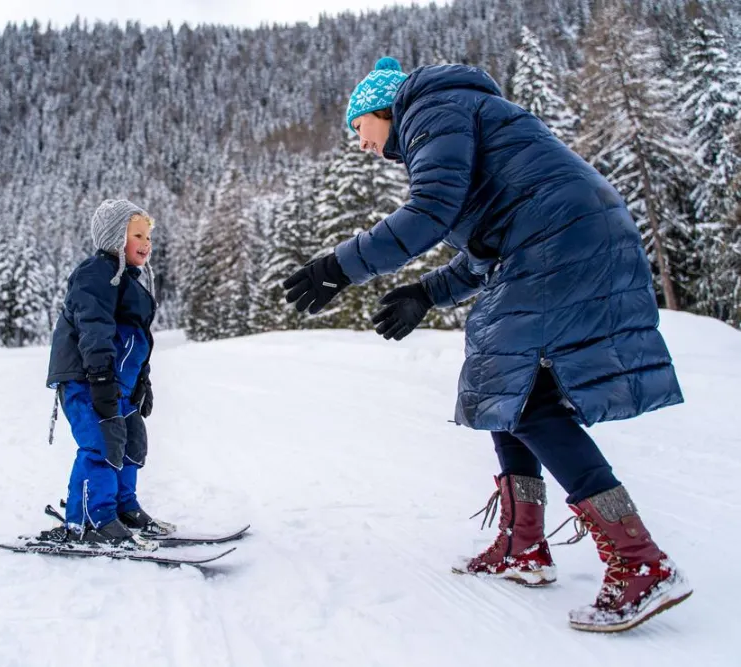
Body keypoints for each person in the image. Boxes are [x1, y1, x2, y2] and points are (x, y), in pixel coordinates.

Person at [283, 57, 692, 632]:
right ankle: (524, 547)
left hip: (561, 241)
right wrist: (425, 292)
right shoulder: (453, 115)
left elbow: (429, 212)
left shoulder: (430, 108)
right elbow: (483, 251)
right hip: (566, 236)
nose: (361, 144)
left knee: (522, 399)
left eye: (358, 128)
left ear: (381, 108)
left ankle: (639, 561)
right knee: (507, 389)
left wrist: (340, 265)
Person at [42, 198, 173, 550]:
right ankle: (89, 519)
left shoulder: (129, 282)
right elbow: (94, 328)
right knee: (100, 444)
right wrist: (99, 378)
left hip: (120, 385)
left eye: (148, 236)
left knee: (130, 444)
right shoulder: (96, 275)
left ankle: (122, 508)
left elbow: (136, 338)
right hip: (89, 381)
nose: (146, 243)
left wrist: (142, 381)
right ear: (116, 237)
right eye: (138, 235)